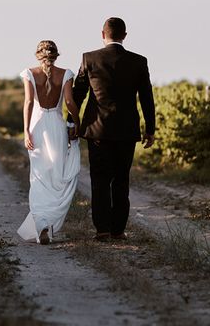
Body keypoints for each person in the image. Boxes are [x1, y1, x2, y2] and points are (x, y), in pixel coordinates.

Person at [68, 17, 155, 242]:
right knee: (121, 180)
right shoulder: (139, 61)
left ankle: (102, 230)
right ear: (124, 35)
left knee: (99, 180)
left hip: (97, 131)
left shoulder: (89, 58)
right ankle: (118, 230)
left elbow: (79, 93)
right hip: (127, 131)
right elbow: (147, 97)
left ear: (102, 33)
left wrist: (71, 122)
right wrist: (150, 129)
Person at [17, 40, 81, 245]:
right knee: (56, 175)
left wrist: (26, 130)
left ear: (38, 55)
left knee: (38, 176)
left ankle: (42, 223)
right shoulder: (66, 74)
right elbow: (70, 103)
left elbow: (28, 102)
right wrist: (77, 123)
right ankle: (48, 222)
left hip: (37, 127)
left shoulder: (28, 73)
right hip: (56, 126)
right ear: (56, 55)